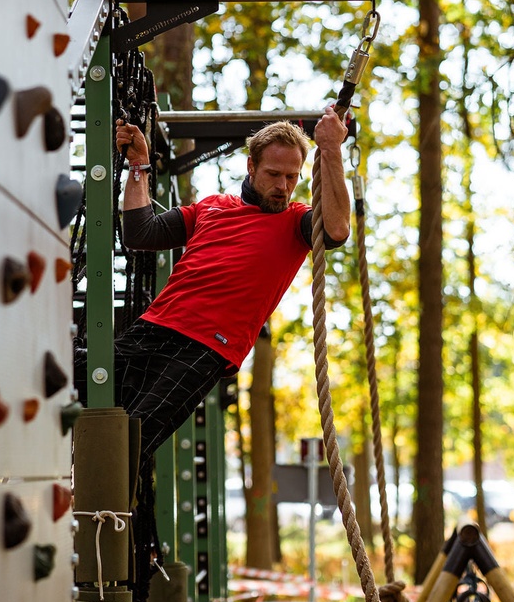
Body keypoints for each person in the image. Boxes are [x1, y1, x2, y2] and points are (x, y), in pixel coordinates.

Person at [112, 105, 350, 462]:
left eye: (292, 177)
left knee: (131, 439)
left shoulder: (297, 222)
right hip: (155, 326)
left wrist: (331, 150)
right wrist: (139, 167)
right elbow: (140, 232)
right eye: (273, 174)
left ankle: (94, 509)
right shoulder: (211, 208)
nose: (282, 186)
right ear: (251, 167)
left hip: (206, 348)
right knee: (74, 385)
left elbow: (337, 229)